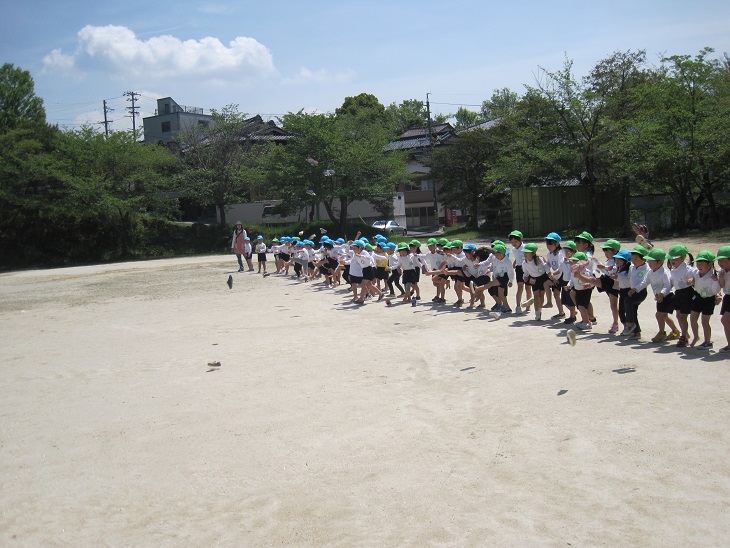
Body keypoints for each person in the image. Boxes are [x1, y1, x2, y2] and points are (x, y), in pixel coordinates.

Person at [645, 248, 680, 342]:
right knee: (664, 316)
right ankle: (675, 331)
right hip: (659, 297)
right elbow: (645, 282)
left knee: (659, 315)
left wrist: (662, 294)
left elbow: (668, 285)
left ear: (659, 262)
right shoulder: (650, 272)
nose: (649, 263)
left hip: (667, 297)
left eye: (651, 261)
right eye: (648, 261)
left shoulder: (664, 273)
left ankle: (661, 333)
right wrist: (636, 289)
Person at [689, 250, 721, 348]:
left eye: (701, 263)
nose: (699, 265)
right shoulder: (695, 272)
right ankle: (696, 336)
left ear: (710, 264)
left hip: (709, 299)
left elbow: (716, 290)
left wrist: (716, 282)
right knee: (693, 318)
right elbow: (688, 273)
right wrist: (691, 280)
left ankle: (707, 342)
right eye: (698, 262)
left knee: (705, 321)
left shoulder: (713, 275)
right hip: (698, 297)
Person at [667, 244, 697, 348]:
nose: (672, 261)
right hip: (678, 294)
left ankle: (684, 336)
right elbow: (670, 283)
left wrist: (693, 281)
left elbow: (697, 279)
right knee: (679, 316)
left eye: (675, 258)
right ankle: (685, 334)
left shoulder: (689, 269)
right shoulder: (673, 271)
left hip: (687, 294)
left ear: (683, 257)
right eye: (670, 259)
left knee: (683, 316)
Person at [620, 246, 651, 339]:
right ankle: (636, 332)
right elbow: (630, 279)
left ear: (643, 259)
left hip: (640, 292)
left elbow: (644, 282)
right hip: (632, 291)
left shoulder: (646, 268)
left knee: (627, 302)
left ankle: (629, 324)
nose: (633, 260)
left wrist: (635, 289)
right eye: (632, 258)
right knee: (633, 311)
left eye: (636, 259)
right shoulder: (632, 267)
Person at [521, 242, 550, 321]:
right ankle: (537, 313)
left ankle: (540, 310)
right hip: (534, 279)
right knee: (536, 295)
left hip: (543, 278)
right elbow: (526, 272)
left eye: (527, 252)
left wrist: (549, 272)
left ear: (533, 253)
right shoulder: (524, 263)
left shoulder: (539, 259)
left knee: (541, 295)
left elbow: (546, 266)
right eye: (524, 252)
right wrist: (525, 277)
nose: (525, 254)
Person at [509, 231, 530, 314]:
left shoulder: (525, 247)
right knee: (520, 287)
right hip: (519, 268)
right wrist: (515, 262)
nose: (514, 243)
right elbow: (518, 257)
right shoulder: (514, 249)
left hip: (527, 268)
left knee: (528, 288)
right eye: (512, 242)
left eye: (515, 241)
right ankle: (518, 306)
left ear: (520, 240)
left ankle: (528, 305)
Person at [716, 246, 730, 353]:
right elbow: (722, 286)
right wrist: (720, 278)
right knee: (726, 321)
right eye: (719, 260)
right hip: (727, 297)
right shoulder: (722, 271)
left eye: (723, 260)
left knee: (725, 320)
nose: (720, 262)